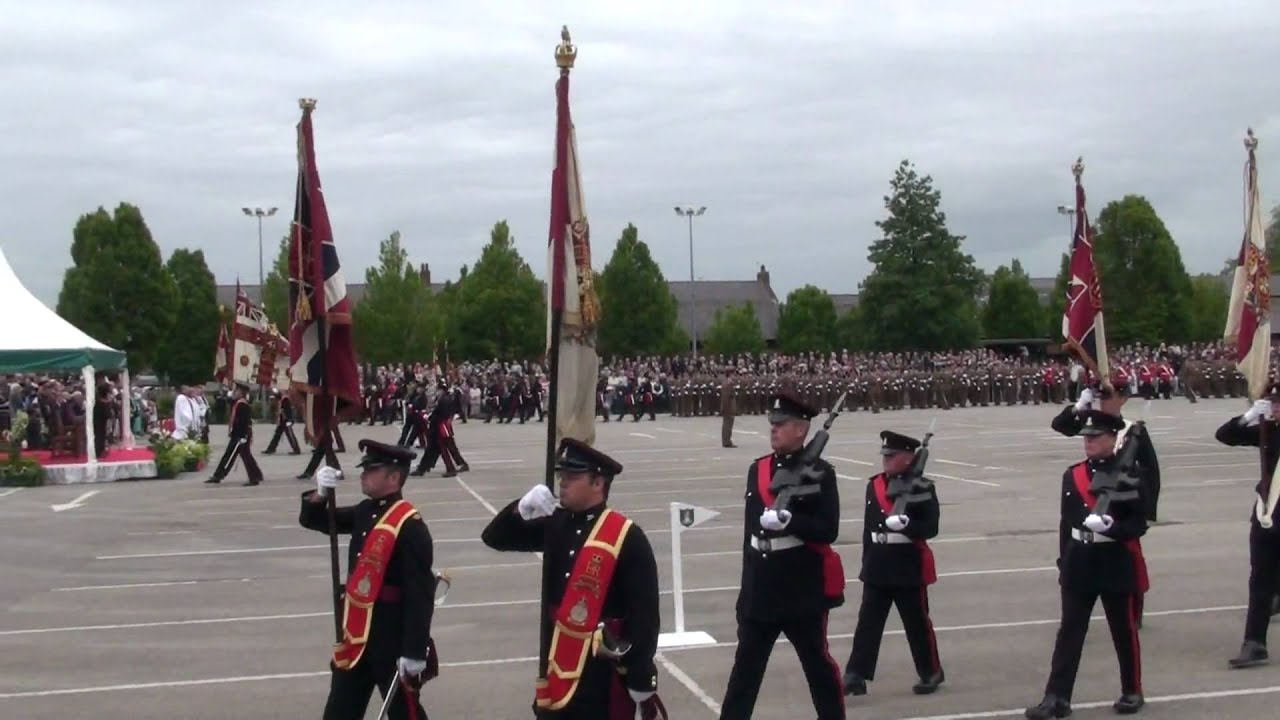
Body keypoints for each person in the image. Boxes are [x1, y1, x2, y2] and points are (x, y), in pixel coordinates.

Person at [480, 438, 666, 719]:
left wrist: (641, 676)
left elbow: (645, 614)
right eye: (561, 474)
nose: (562, 482)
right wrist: (521, 509)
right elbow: (494, 538)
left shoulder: (626, 536)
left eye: (572, 476)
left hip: (601, 672)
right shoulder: (557, 522)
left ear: (598, 483)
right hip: (555, 662)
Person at [718, 389, 846, 720]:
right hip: (761, 589)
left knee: (819, 668)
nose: (773, 428)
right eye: (772, 423)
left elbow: (827, 529)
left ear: (802, 429)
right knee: (744, 675)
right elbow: (749, 538)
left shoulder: (822, 473)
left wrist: (793, 521)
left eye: (782, 423)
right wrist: (744, 594)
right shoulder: (757, 470)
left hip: (801, 589)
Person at [299, 440, 438, 720]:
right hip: (355, 635)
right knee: (340, 711)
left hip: (391, 640)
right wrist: (321, 494)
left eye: (371, 470)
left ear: (393, 477)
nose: (363, 474)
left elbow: (420, 595)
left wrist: (413, 649)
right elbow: (318, 521)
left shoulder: (411, 526)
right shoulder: (366, 511)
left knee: (404, 714)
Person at [1025, 410, 1146, 719]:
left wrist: (1112, 528)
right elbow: (1066, 522)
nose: (1088, 442)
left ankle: (1132, 690)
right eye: (1086, 438)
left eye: (1095, 438)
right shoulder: (1073, 474)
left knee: (1123, 630)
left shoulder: (1130, 475)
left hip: (1114, 558)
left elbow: (1138, 524)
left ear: (1112, 439)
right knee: (1070, 632)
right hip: (1080, 560)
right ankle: (1056, 697)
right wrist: (1063, 559)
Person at [1050, 372, 1159, 627]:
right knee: (1073, 552)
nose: (1102, 400)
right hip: (1087, 493)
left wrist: (1146, 511)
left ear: (1123, 398)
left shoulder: (1133, 430)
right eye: (1099, 394)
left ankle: (1134, 610)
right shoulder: (1091, 422)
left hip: (1123, 499)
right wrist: (1079, 405)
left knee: (1130, 558)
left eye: (1108, 395)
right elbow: (1060, 425)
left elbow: (1151, 471)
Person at [843, 430, 943, 697]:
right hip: (878, 564)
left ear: (909, 458)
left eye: (892, 456)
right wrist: (866, 563)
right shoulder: (874, 485)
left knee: (917, 624)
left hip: (908, 565)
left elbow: (931, 528)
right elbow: (868, 529)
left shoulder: (923, 487)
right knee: (868, 623)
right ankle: (856, 674)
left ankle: (931, 670)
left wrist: (908, 525)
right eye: (885, 455)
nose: (886, 460)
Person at [1214, 389, 1280, 668]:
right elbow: (1225, 435)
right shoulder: (1269, 431)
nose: (1275, 408)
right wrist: (1249, 416)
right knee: (1259, 579)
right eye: (1274, 403)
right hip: (1268, 511)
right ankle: (1255, 642)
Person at [205, 384, 263, 486]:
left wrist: (243, 436)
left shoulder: (243, 404)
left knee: (232, 456)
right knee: (245, 456)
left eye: (236, 391)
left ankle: (219, 476)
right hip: (238, 434)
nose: (234, 392)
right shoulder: (238, 403)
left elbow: (244, 422)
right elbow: (228, 402)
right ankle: (257, 475)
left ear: (241, 393)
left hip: (240, 435)